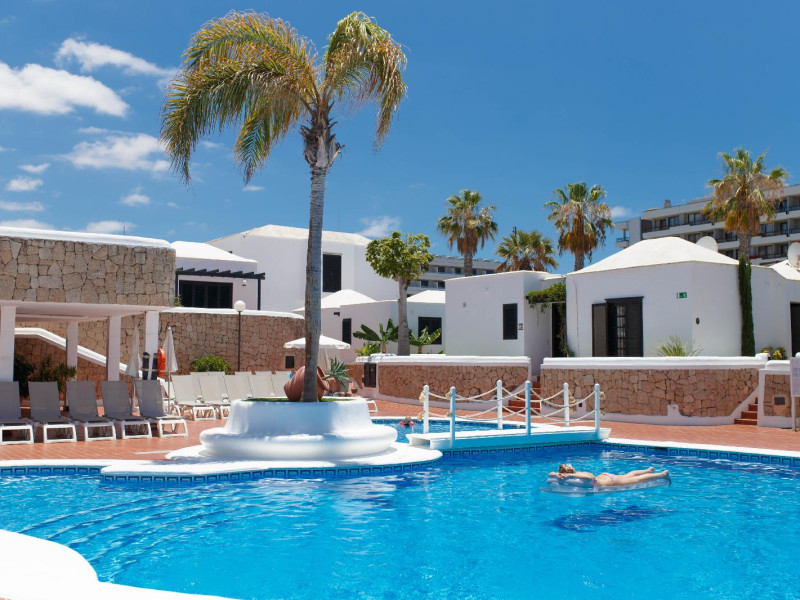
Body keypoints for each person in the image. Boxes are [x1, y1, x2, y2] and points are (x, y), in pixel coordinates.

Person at [549, 463, 670, 487]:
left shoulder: (580, 476)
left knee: (637, 480)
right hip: (605, 476)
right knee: (628, 475)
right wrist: (556, 474)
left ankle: (662, 475)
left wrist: (570, 477)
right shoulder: (578, 472)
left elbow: (590, 478)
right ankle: (648, 470)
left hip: (611, 481)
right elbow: (550, 474)